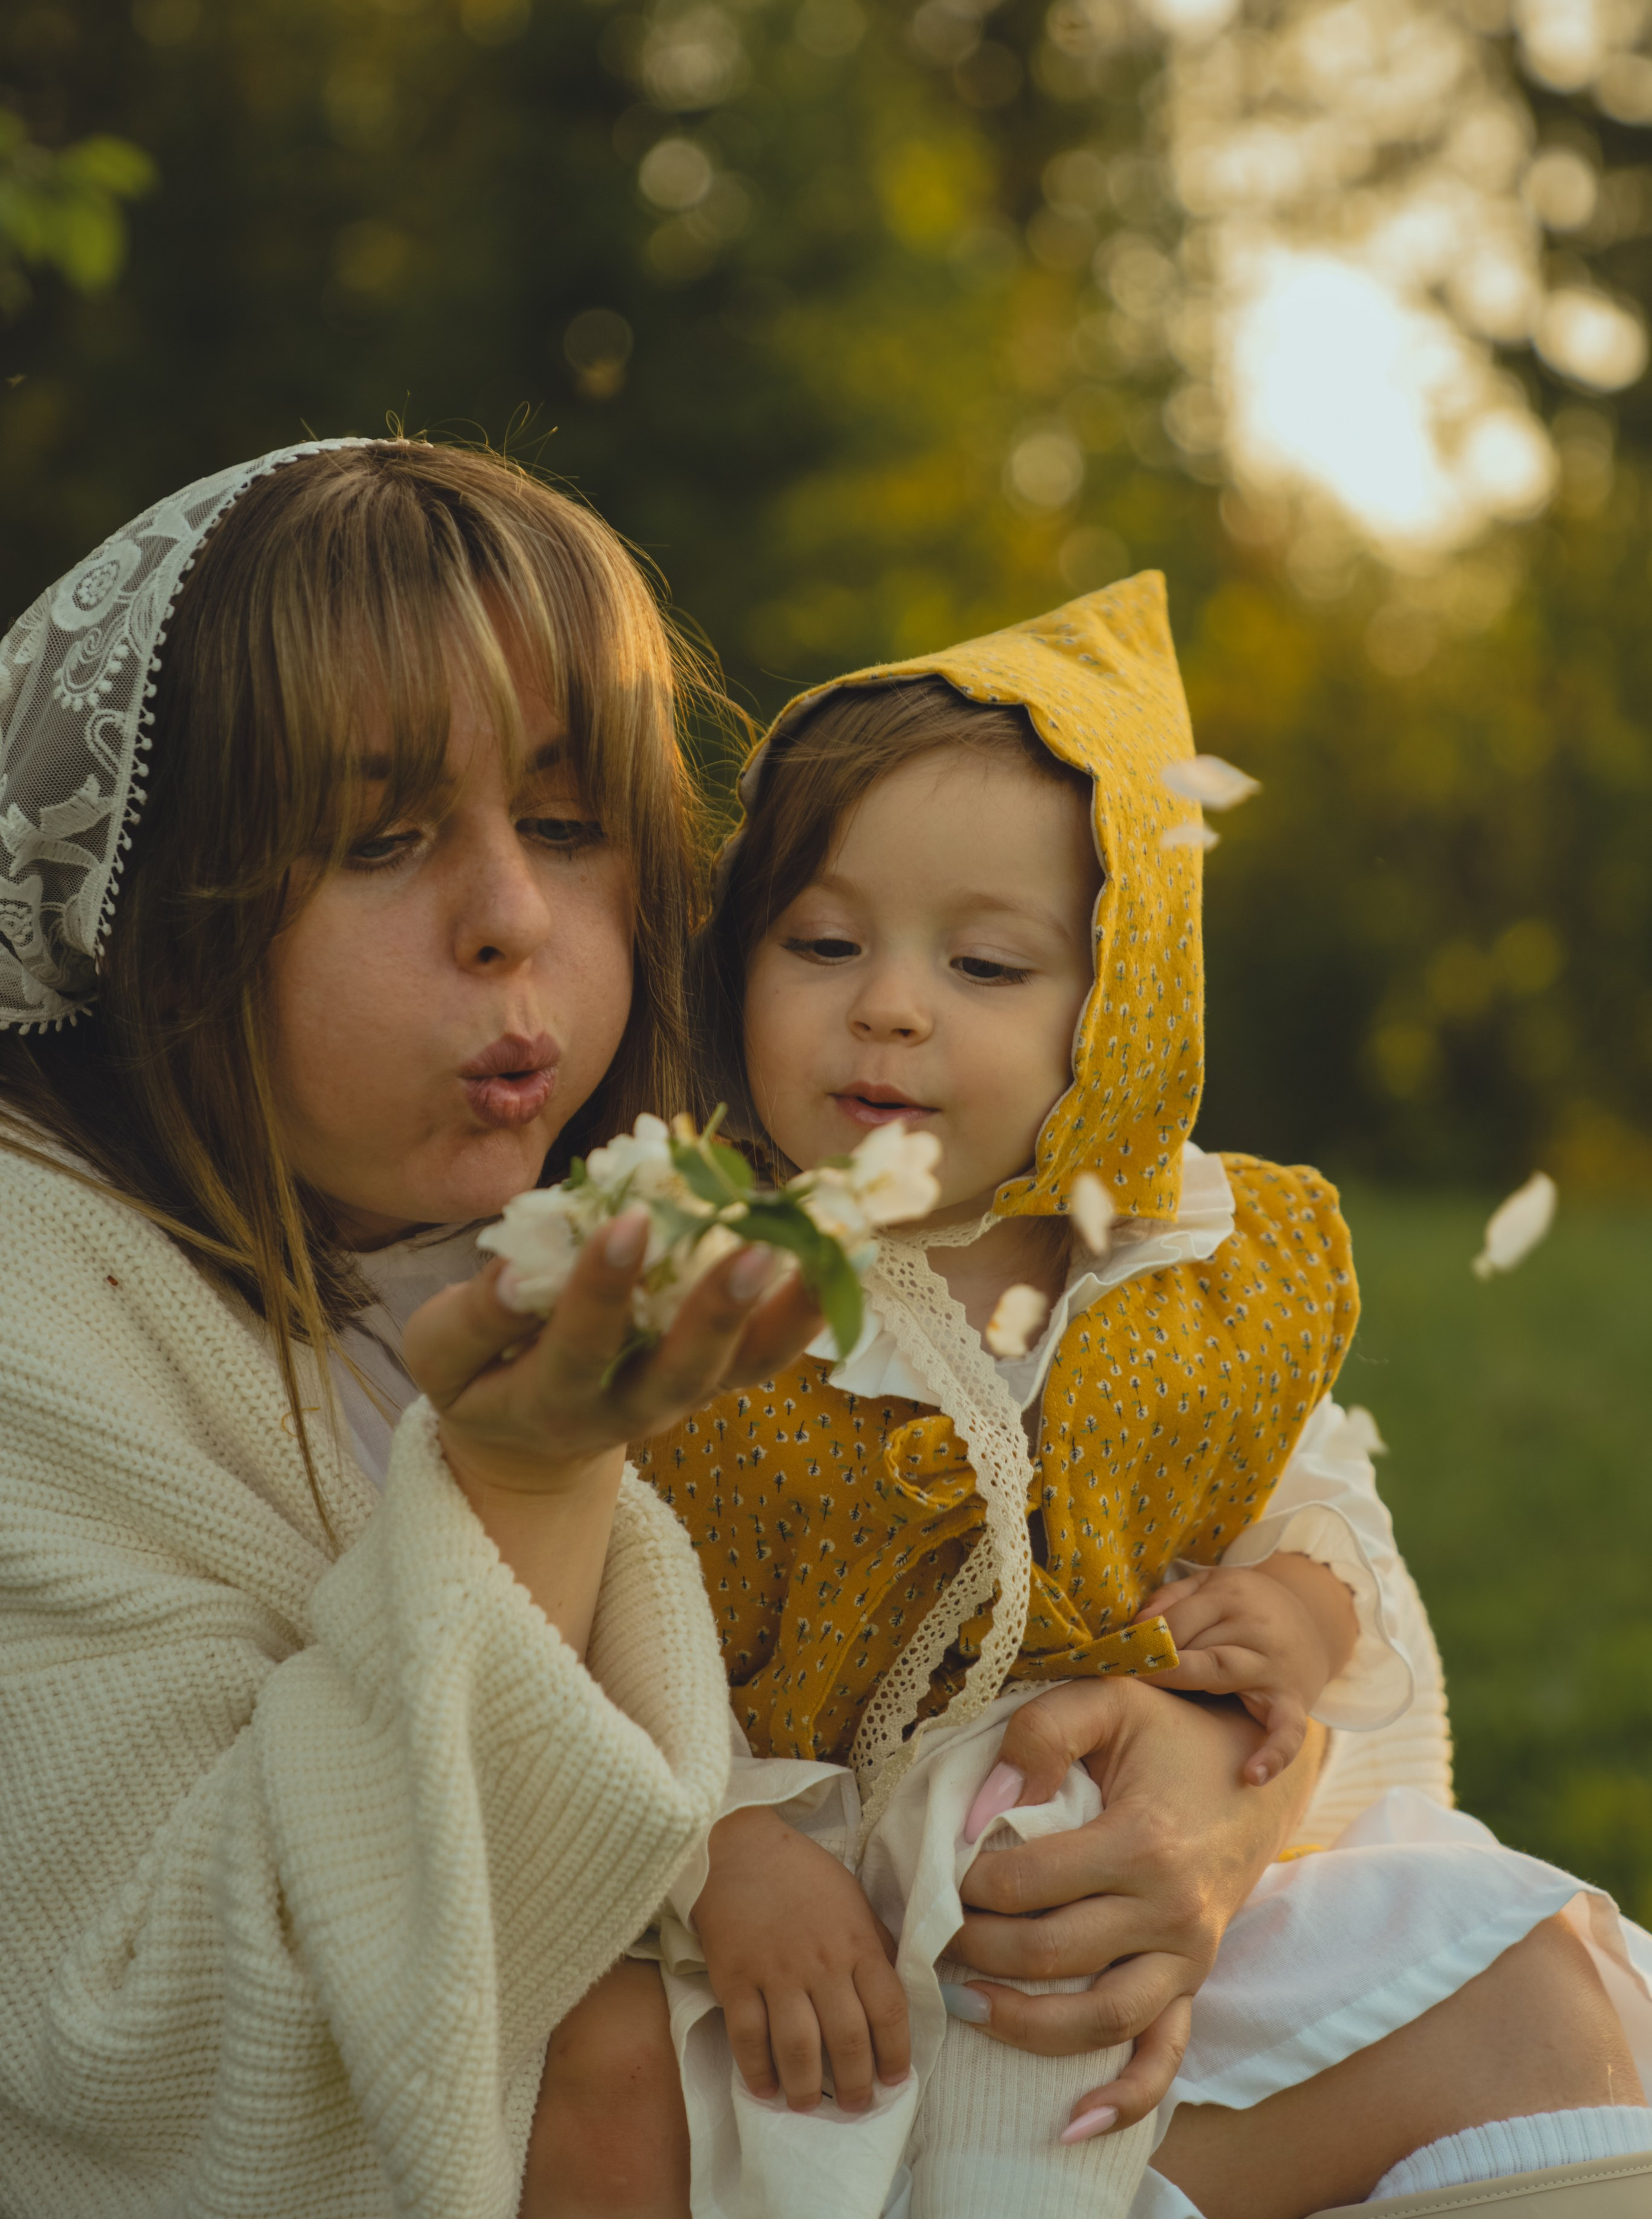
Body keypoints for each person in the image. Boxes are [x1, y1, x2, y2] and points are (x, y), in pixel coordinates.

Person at [599, 577, 1650, 2218]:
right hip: (815, 1942)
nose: (889, 1002)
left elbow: (1304, 1491)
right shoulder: (695, 1281)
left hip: (1113, 1863)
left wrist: (1298, 1610)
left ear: (1121, 1013)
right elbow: (580, 1639)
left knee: (1535, 1981)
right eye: (822, 942)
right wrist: (716, 1851)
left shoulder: (1176, 1267)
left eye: (984, 963)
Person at [0, 438, 818, 2219]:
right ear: (147, 920)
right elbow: (165, 2055)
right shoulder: (37, 1314)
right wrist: (527, 1477)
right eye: (378, 838)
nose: (513, 920)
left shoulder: (660, 1221)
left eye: (566, 822)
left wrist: (1197, 1767)